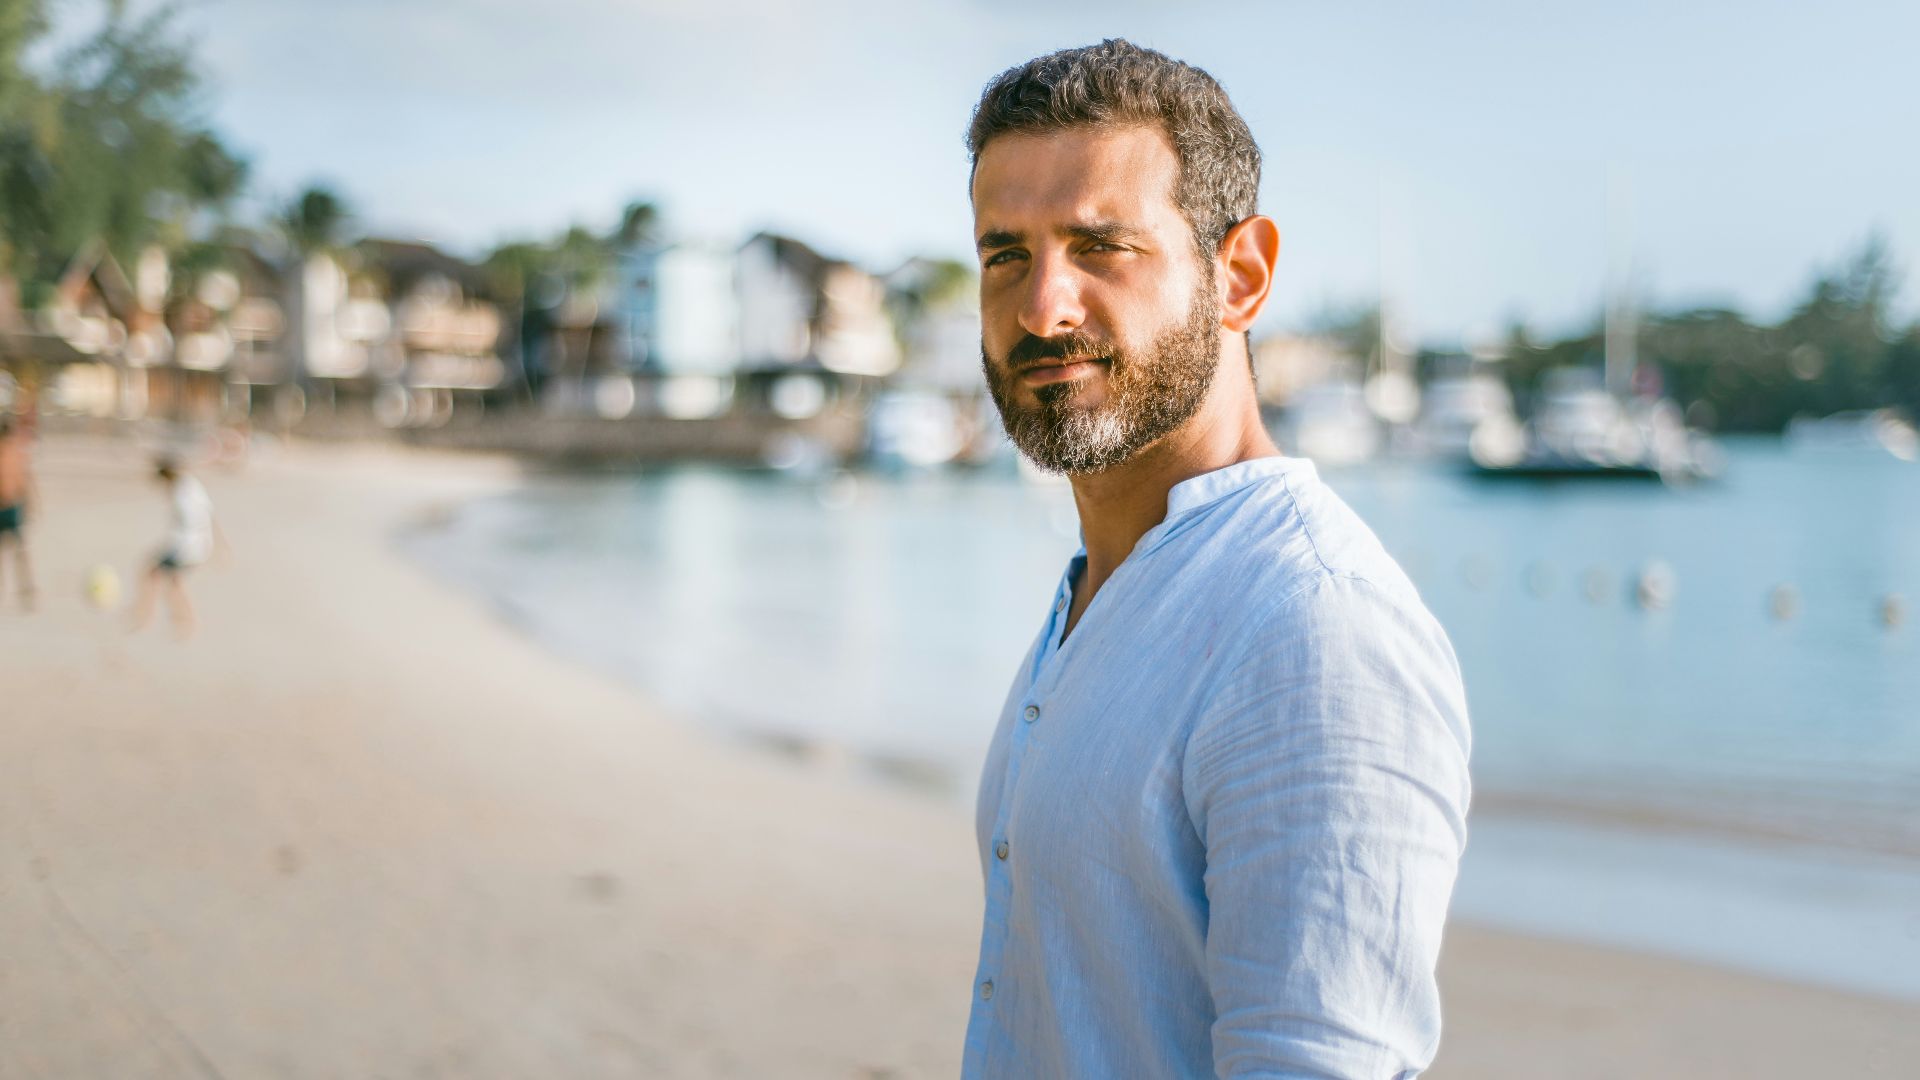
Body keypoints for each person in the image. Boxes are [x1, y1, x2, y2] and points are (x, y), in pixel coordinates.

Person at [961, 40, 1472, 1078]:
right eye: (1005, 253)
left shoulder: (1313, 631)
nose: (1040, 308)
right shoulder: (1106, 589)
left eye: (1101, 245)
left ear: (1239, 276)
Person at [128, 459, 222, 639]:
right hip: (200, 545)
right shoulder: (192, 484)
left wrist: (171, 548)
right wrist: (219, 546)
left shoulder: (180, 493)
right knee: (173, 584)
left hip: (186, 548)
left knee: (154, 576)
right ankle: (183, 620)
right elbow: (209, 515)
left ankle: (147, 615)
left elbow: (187, 525)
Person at [0, 415, 36, 610]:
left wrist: (30, 502)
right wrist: (31, 503)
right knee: (18, 552)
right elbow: (25, 480)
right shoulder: (14, 453)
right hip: (10, 507)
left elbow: (24, 479)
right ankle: (25, 587)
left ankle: (26, 587)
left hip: (8, 507)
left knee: (18, 551)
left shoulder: (13, 453)